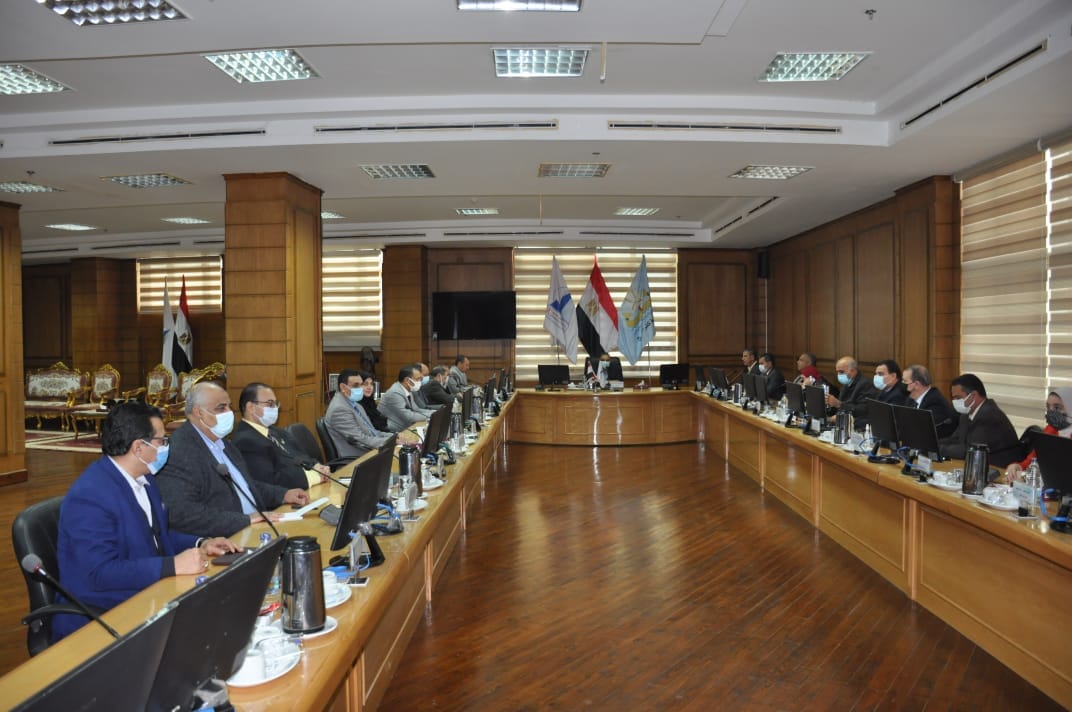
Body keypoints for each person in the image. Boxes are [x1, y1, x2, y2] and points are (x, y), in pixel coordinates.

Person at [53, 401, 238, 641]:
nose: (166, 447)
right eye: (162, 441)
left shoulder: (145, 480)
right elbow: (99, 573)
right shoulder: (91, 496)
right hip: (102, 616)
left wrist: (201, 543)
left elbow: (157, 535)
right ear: (139, 447)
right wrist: (172, 566)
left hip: (150, 595)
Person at [157, 382, 309, 537]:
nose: (229, 412)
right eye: (221, 408)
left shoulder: (222, 442)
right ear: (199, 412)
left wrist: (283, 494)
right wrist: (244, 520)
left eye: (229, 406)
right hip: (227, 538)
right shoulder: (178, 451)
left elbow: (245, 485)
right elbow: (183, 513)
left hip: (257, 528)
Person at [231, 382, 331, 489]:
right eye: (270, 404)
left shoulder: (276, 431)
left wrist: (317, 466)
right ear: (251, 407)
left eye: (275, 404)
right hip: (290, 495)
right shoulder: (246, 441)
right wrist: (313, 477)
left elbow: (300, 456)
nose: (275, 408)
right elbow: (271, 481)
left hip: (312, 487)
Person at [938, 373, 1021, 466]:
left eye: (958, 398)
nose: (954, 402)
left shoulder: (989, 416)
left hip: (1001, 468)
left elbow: (970, 451)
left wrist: (938, 449)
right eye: (953, 398)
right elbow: (955, 439)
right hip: (978, 464)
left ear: (973, 395)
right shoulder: (966, 414)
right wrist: (933, 444)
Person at [324, 368, 395, 459]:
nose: (360, 389)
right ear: (343, 387)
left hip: (371, 449)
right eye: (355, 385)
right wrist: (391, 441)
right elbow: (361, 439)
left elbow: (372, 432)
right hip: (358, 457)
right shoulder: (339, 409)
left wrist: (394, 437)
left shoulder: (355, 404)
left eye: (361, 384)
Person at [1006, 386, 1072, 480]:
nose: (1051, 411)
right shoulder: (1050, 430)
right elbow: (1032, 460)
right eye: (1048, 407)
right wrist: (1018, 466)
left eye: (1057, 407)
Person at [902, 364, 958, 438]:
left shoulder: (936, 404)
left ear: (916, 384)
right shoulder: (910, 400)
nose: (902, 383)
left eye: (905, 381)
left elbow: (923, 433)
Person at [380, 364, 438, 432]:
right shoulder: (394, 393)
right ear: (407, 380)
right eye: (417, 379)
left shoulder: (408, 390)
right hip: (393, 430)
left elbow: (416, 409)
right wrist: (432, 415)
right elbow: (409, 417)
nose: (420, 382)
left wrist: (435, 412)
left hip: (406, 425)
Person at [825, 356, 876, 420]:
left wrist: (839, 404)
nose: (838, 375)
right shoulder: (847, 382)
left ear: (853, 371)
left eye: (841, 372)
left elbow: (863, 410)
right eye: (837, 372)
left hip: (856, 422)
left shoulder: (865, 384)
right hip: (843, 420)